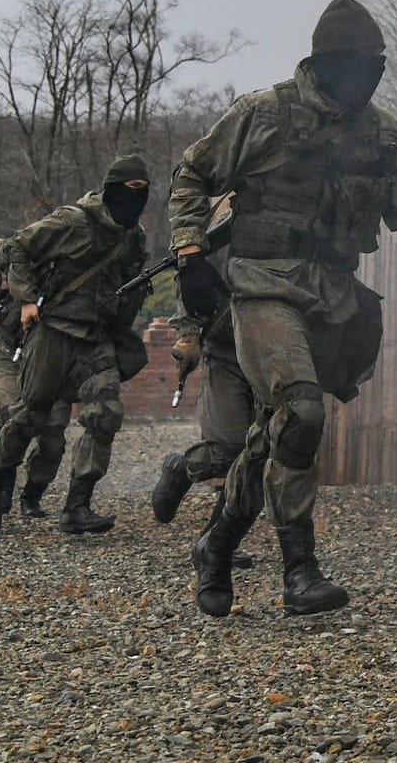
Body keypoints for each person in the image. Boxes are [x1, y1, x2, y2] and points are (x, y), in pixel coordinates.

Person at [170, 0, 397, 617]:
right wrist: (191, 254)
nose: (374, 76)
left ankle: (218, 541)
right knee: (302, 412)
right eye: (364, 64)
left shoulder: (382, 132)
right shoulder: (265, 114)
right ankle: (299, 569)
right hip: (265, 284)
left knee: (277, 430)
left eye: (380, 65)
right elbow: (193, 174)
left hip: (332, 293)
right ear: (330, 63)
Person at [0, 155, 153, 535]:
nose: (137, 199)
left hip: (97, 337)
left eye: (144, 192)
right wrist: (24, 300)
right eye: (130, 190)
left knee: (105, 413)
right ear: (111, 190)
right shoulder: (73, 221)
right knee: (29, 416)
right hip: (54, 330)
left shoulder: (133, 237)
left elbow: (130, 281)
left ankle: (78, 505)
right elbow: (19, 248)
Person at [150, 210, 255, 571]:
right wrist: (189, 333)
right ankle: (182, 468)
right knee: (228, 448)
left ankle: (215, 541)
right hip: (226, 349)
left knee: (257, 457)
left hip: (272, 351)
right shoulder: (228, 221)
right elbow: (191, 275)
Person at [0, 236, 71, 520]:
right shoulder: (18, 249)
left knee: (53, 435)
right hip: (10, 352)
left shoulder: (77, 260)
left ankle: (33, 494)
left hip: (51, 360)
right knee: (6, 417)